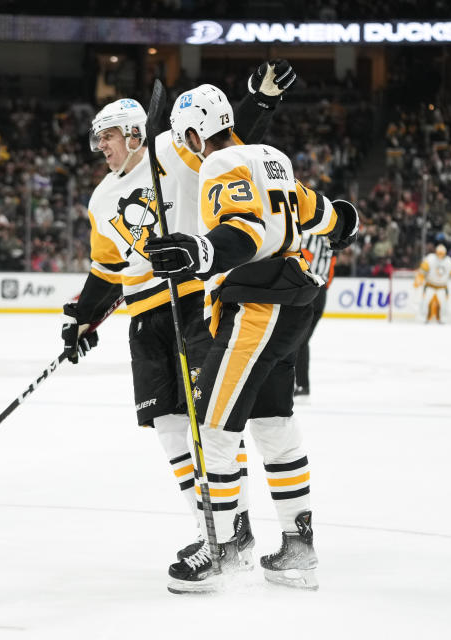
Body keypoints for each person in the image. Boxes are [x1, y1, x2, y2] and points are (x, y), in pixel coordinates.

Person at [59, 62, 298, 569]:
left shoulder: (172, 150)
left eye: (107, 137)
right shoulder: (101, 199)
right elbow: (107, 268)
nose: (100, 147)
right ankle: (204, 527)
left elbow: (226, 145)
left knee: (209, 417)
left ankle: (233, 529)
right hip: (145, 321)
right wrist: (82, 317)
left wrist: (259, 103)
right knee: (169, 425)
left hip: (193, 302)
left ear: (132, 132)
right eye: (97, 139)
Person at [145, 84, 358, 593]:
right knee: (273, 423)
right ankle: (298, 548)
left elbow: (242, 229)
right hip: (291, 304)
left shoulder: (219, 166)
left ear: (195, 134)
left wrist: (200, 251)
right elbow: (318, 212)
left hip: (256, 309)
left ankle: (221, 549)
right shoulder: (273, 158)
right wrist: (344, 218)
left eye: (186, 139)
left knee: (215, 429)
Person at [294, 230, 336, 397]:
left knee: (297, 341)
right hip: (321, 292)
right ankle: (301, 384)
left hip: (309, 291)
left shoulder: (310, 237)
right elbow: (331, 271)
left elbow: (304, 263)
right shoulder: (329, 241)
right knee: (301, 341)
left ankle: (300, 385)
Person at [414, 244, 451, 323]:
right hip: (430, 285)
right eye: (439, 253)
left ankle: (443, 318)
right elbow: (422, 270)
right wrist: (419, 278)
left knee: (444, 303)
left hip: (442, 286)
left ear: (445, 253)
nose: (440, 255)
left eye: (441, 253)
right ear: (436, 252)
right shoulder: (430, 259)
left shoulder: (449, 261)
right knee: (425, 301)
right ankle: (423, 318)